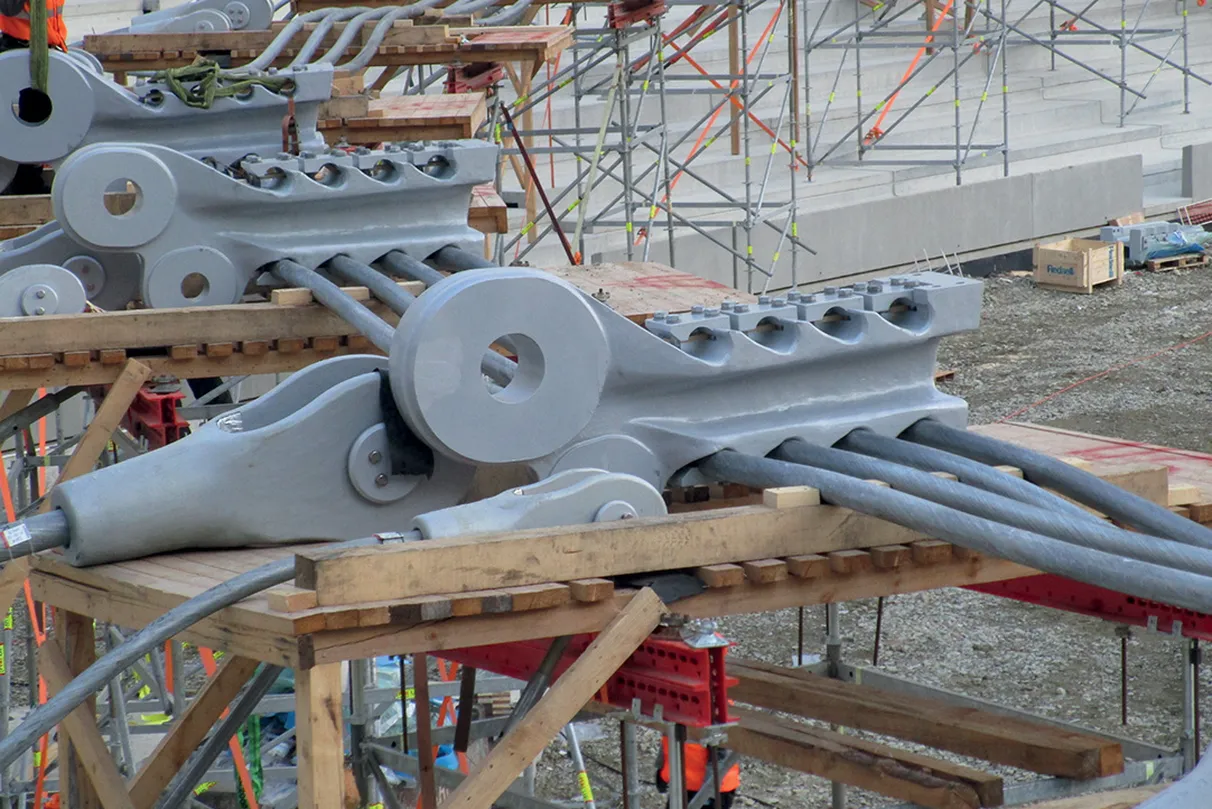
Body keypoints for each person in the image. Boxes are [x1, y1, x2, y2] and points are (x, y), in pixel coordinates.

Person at [0, 0, 67, 195]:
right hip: (20, 49)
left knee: (42, 118)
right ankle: (25, 184)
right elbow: (9, 8)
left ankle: (28, 181)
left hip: (46, 49)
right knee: (31, 119)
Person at [656, 738, 741, 809]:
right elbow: (667, 737)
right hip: (683, 783)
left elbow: (719, 754)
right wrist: (661, 772)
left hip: (708, 788)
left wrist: (706, 793)